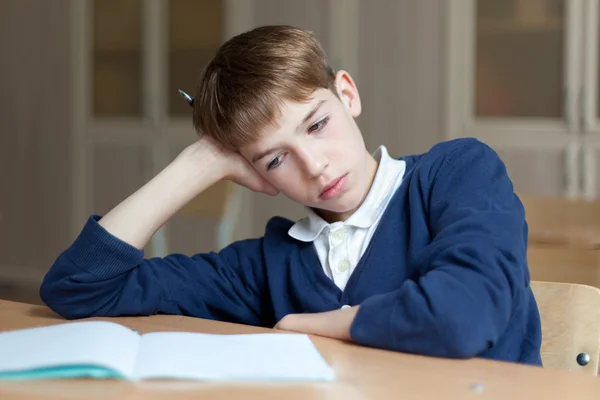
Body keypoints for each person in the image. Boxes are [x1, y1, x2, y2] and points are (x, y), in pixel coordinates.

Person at [40, 25, 542, 365]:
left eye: (317, 124)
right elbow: (80, 287)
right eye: (275, 159)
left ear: (348, 94)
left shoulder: (457, 172)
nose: (314, 165)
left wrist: (324, 323)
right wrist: (201, 161)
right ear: (255, 176)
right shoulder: (267, 266)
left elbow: (464, 317)